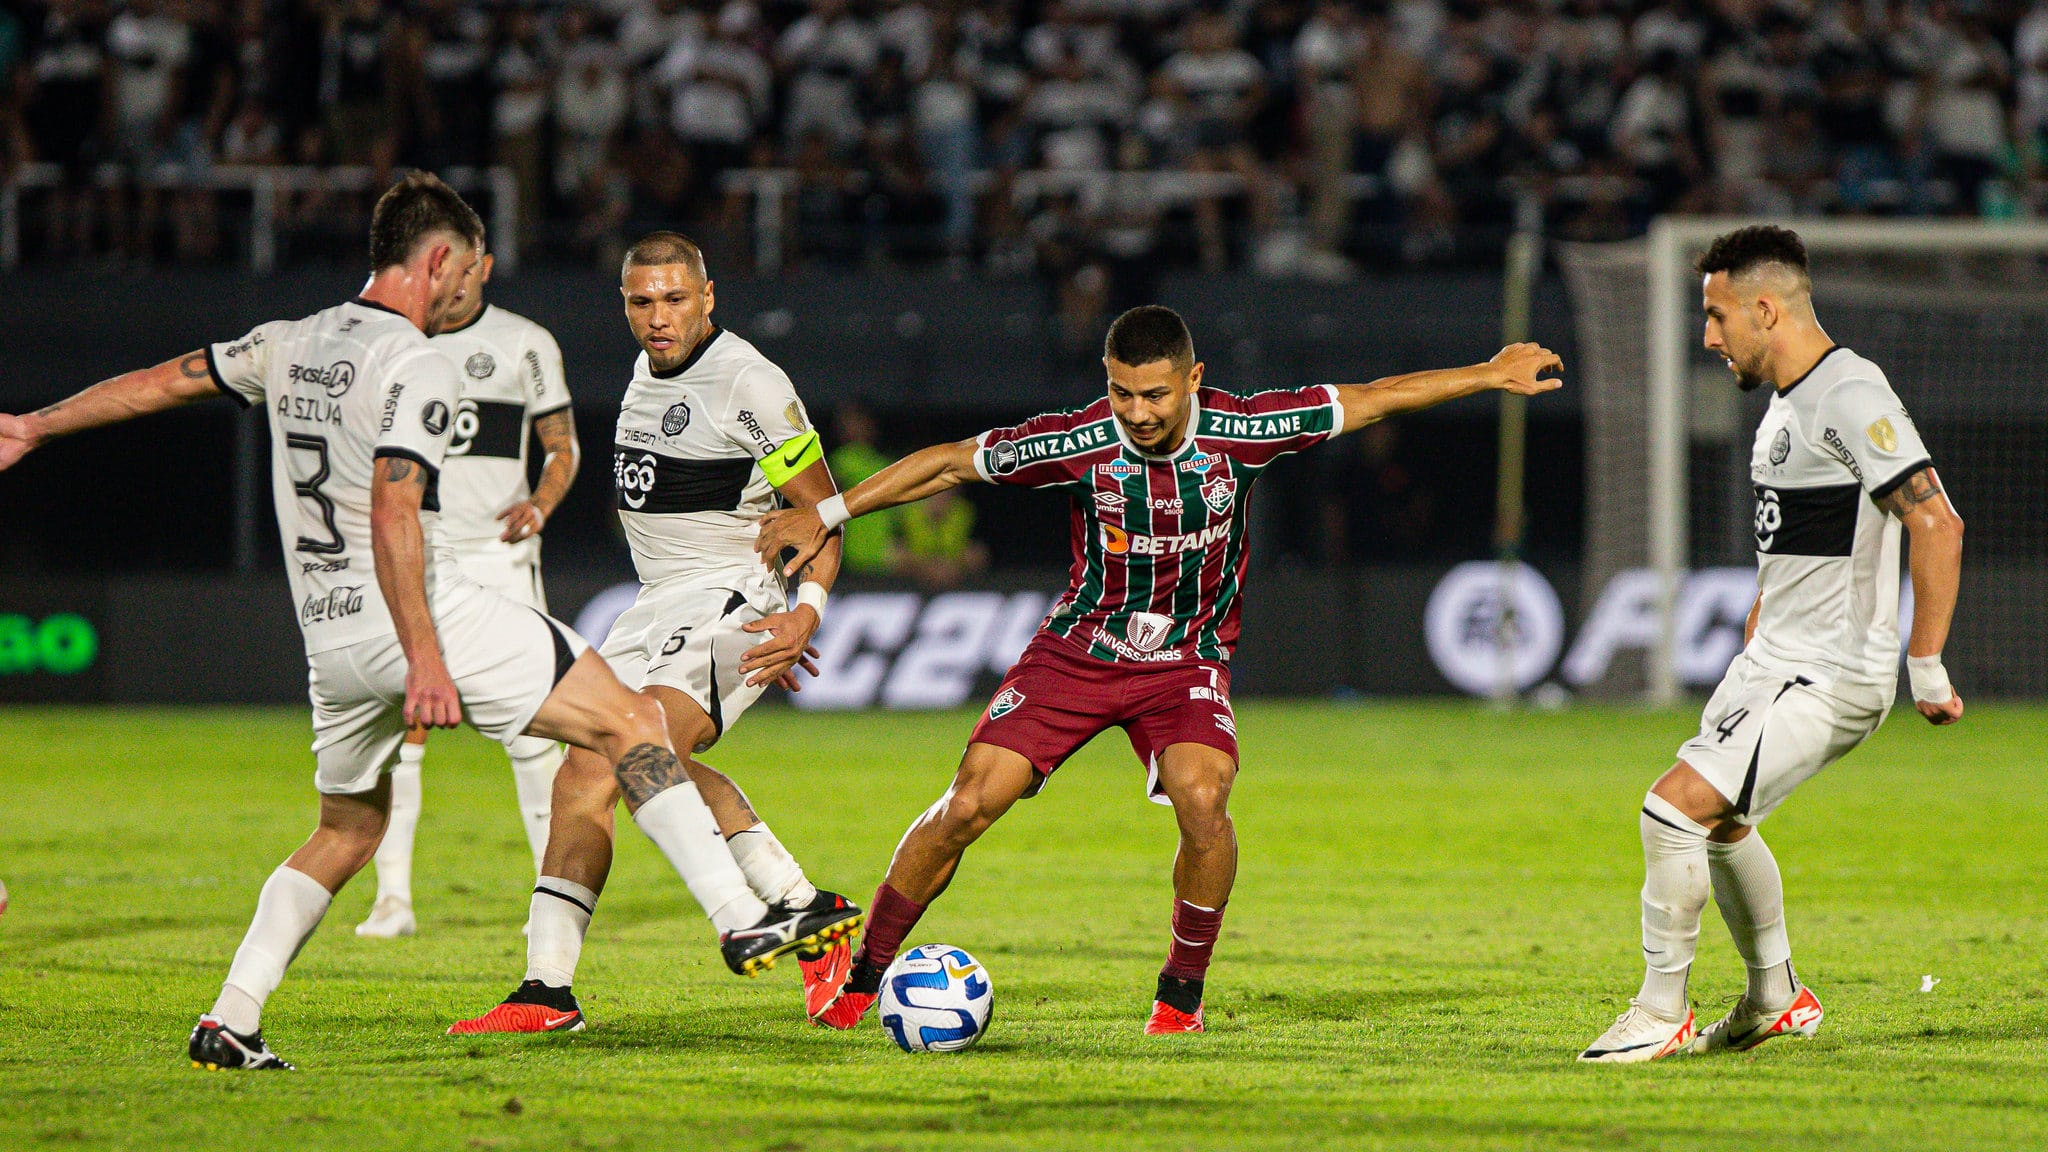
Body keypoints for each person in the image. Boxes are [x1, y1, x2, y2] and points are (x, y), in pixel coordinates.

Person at [0, 174, 842, 1070]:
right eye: (468, 272)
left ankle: (251, 1015)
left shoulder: (289, 340)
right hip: (435, 612)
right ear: (438, 260)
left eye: (673, 299)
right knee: (622, 741)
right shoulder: (419, 360)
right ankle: (761, 914)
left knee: (373, 823)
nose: (470, 292)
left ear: (707, 296)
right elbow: (395, 507)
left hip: (339, 634)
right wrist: (425, 656)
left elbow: (163, 380)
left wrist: (34, 427)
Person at [756, 305, 1562, 1033]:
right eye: (1122, 394)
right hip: (1078, 650)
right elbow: (950, 464)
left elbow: (1376, 397)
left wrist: (1489, 374)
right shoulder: (1079, 442)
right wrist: (826, 512)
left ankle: (1179, 999)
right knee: (969, 804)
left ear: (1193, 379)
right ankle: (863, 977)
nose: (1138, 413)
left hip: (1186, 660)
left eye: (1155, 395)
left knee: (1204, 801)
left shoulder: (1245, 429)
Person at [450, 231, 863, 1033]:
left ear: (708, 297)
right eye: (642, 302)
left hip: (728, 597)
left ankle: (795, 909)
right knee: (585, 771)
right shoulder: (649, 370)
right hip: (655, 603)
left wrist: (804, 610)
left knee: (643, 757)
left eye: (675, 299)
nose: (658, 316)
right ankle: (548, 990)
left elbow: (824, 514)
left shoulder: (746, 381)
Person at [1577, 225, 1965, 1064]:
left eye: (1717, 316)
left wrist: (1926, 666)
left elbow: (1936, 521)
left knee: (1670, 810)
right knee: (1721, 826)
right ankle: (1775, 998)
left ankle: (1659, 1012)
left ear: (1765, 309)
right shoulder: (1789, 405)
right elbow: (1802, 543)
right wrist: (1762, 622)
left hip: (1831, 673)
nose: (1707, 336)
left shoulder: (1850, 393)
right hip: (1774, 662)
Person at [357, 245, 582, 940]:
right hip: (417, 557)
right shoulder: (393, 343)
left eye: (466, 266)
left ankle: (550, 901)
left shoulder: (524, 342)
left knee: (533, 731)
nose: (453, 281)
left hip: (498, 555)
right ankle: (392, 900)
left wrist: (541, 503)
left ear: (482, 266)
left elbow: (562, 445)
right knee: (400, 729)